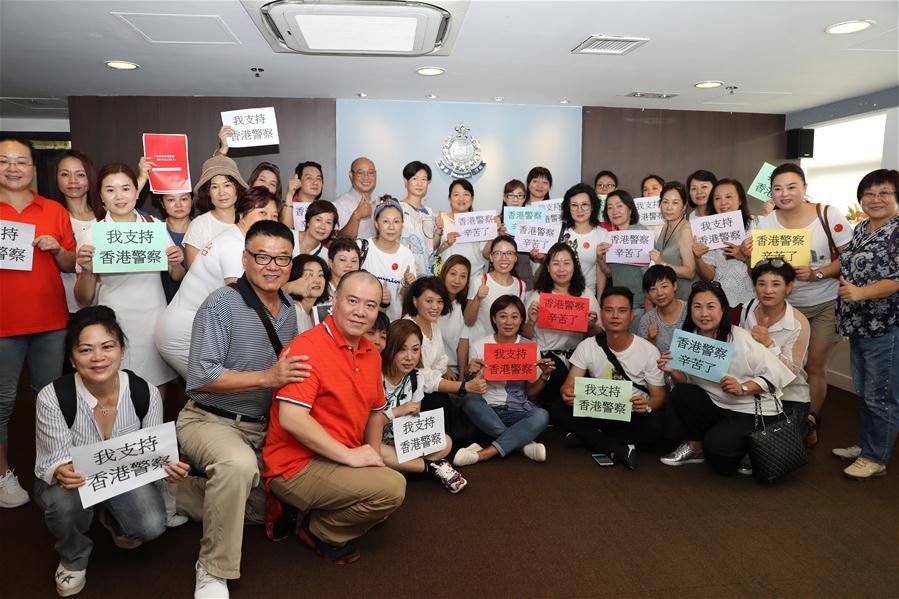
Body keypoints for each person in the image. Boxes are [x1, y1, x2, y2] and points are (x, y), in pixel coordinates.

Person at [175, 220, 307, 599]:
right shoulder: (221, 303)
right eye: (262, 256)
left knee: (279, 504)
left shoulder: (290, 311)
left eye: (282, 258)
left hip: (264, 428)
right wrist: (267, 377)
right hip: (209, 419)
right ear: (245, 258)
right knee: (237, 468)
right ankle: (212, 569)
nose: (272, 266)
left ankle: (176, 494)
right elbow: (201, 376)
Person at [33, 306, 189, 597]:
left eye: (107, 346)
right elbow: (52, 461)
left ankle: (111, 517)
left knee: (151, 526)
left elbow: (152, 453)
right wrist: (61, 471)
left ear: (121, 349)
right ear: (71, 358)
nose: (98, 357)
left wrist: (167, 468)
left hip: (121, 478)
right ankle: (74, 555)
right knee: (61, 503)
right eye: (86, 350)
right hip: (75, 484)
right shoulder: (53, 397)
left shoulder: (146, 392)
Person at [262, 271, 406, 565]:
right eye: (352, 300)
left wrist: (374, 455)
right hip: (295, 464)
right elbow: (292, 419)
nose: (360, 312)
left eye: (370, 305)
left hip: (338, 456)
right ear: (334, 300)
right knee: (392, 489)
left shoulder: (371, 352)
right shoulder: (306, 348)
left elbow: (376, 411)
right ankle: (319, 530)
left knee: (383, 494)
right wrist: (352, 458)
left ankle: (313, 513)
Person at [745, 163, 853, 446]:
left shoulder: (827, 214)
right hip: (786, 307)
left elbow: (850, 257)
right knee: (782, 362)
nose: (785, 193)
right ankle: (780, 418)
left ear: (805, 188)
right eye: (778, 188)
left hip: (825, 302)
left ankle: (811, 420)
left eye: (792, 187)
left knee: (815, 365)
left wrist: (818, 273)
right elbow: (758, 270)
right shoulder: (764, 223)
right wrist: (749, 256)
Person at [0, 136, 76, 508]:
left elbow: (69, 263)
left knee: (49, 399)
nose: (12, 168)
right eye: (4, 161)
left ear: (33, 168)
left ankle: (51, 468)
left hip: (49, 320)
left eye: (20, 161)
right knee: (3, 401)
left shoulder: (53, 210)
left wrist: (58, 248)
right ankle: (2, 474)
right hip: (3, 324)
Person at [659, 281, 795, 474]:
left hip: (750, 409)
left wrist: (743, 387)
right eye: (697, 307)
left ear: (723, 309)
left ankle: (753, 448)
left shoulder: (739, 337)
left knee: (718, 453)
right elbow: (688, 382)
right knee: (681, 393)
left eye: (711, 306)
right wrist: (673, 371)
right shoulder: (691, 339)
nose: (704, 314)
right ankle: (695, 447)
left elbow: (776, 374)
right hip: (718, 403)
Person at [74, 163, 183, 395]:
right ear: (101, 197)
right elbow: (83, 298)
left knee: (155, 390)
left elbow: (177, 275)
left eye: (125, 188)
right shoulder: (93, 234)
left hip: (152, 320)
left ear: (136, 192)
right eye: (110, 189)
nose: (119, 196)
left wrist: (175, 262)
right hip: (112, 323)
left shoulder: (155, 228)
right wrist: (87, 270)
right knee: (115, 391)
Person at [155, 186, 281, 377]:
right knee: (220, 391)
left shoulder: (239, 238)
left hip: (199, 330)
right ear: (243, 213)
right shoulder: (234, 245)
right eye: (262, 212)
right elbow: (245, 300)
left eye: (274, 215)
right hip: (184, 334)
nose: (270, 220)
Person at [554, 287, 667, 469]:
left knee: (658, 423)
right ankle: (615, 447)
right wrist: (567, 392)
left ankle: (588, 438)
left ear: (631, 315)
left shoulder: (648, 350)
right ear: (601, 314)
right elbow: (568, 385)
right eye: (609, 310)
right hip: (599, 410)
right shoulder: (587, 346)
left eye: (622, 311)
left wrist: (646, 405)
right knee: (559, 406)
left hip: (631, 414)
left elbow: (659, 397)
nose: (615, 316)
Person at [834, 169, 899, 480]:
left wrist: (860, 293)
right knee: (865, 391)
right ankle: (866, 445)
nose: (875, 199)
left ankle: (876, 457)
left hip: (886, 325)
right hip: (859, 324)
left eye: (884, 193)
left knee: (881, 394)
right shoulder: (861, 229)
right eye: (869, 194)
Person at [454, 295, 554, 467]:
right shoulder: (479, 345)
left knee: (542, 415)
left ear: (521, 319)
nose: (508, 322)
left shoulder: (530, 348)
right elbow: (470, 388)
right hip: (486, 410)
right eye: (502, 316)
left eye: (514, 317)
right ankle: (522, 445)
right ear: (494, 318)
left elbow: (531, 392)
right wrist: (471, 373)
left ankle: (484, 453)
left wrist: (544, 376)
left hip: (517, 410)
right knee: (469, 401)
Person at [377, 319, 467, 493]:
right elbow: (366, 426)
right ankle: (431, 467)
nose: (409, 357)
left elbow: (412, 420)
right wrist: (396, 412)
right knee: (377, 451)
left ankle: (400, 468)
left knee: (446, 442)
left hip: (400, 439)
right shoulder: (376, 376)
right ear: (390, 348)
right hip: (377, 439)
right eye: (402, 349)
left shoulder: (416, 376)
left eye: (415, 350)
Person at [521, 243, 601, 407]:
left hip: (577, 358)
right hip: (546, 356)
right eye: (556, 264)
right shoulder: (539, 295)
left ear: (574, 266)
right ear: (548, 268)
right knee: (561, 392)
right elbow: (525, 336)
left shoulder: (585, 294)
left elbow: (599, 335)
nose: (561, 269)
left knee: (585, 394)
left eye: (566, 263)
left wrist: (590, 326)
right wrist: (531, 320)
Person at [740, 259, 810, 433]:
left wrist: (768, 343)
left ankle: (809, 425)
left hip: (788, 394)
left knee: (773, 447)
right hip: (752, 386)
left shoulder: (798, 323)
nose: (768, 290)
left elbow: (792, 372)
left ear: (789, 287)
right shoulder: (748, 307)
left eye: (776, 284)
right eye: (761, 283)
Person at [692, 178, 755, 323]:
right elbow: (708, 277)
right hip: (719, 301)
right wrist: (697, 258)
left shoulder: (755, 225)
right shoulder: (707, 230)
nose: (723, 203)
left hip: (750, 300)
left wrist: (745, 257)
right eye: (717, 198)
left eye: (729, 197)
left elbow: (762, 275)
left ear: (740, 200)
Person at [53, 150, 101, 314]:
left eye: (80, 174)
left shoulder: (106, 216)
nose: (73, 181)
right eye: (65, 174)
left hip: (107, 304)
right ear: (57, 178)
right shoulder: (51, 216)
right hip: (67, 307)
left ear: (90, 177)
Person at [182, 156, 248, 269]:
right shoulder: (199, 225)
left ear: (237, 188)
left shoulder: (249, 221)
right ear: (208, 192)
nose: (221, 192)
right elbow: (193, 272)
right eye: (214, 187)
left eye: (227, 185)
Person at [597, 190, 650, 326]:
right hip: (620, 304)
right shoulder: (612, 237)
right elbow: (610, 273)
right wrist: (599, 258)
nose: (615, 211)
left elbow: (649, 275)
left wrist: (649, 309)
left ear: (630, 209)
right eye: (610, 207)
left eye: (619, 206)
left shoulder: (640, 232)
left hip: (640, 305)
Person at [359, 198, 416, 321]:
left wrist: (407, 285)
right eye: (385, 221)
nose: (391, 227)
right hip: (361, 319)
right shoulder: (363, 247)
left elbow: (405, 298)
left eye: (396, 221)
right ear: (376, 224)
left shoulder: (406, 255)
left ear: (402, 224)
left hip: (391, 323)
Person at [464, 235, 526, 344]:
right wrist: (478, 298)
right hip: (480, 349)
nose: (504, 258)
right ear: (491, 257)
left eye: (509, 253)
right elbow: (468, 321)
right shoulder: (478, 281)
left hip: (504, 352)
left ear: (516, 257)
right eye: (498, 253)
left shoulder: (521, 285)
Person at [558, 183, 609, 297]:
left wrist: (599, 300)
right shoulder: (558, 230)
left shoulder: (602, 234)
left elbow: (601, 271)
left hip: (587, 295)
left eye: (584, 204)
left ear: (592, 207)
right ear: (568, 208)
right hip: (558, 295)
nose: (579, 210)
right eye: (574, 205)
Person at [434, 179, 488, 281]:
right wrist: (446, 243)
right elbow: (430, 252)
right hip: (447, 279)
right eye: (456, 194)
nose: (461, 199)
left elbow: (486, 254)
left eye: (466, 194)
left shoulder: (480, 221)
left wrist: (492, 234)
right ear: (449, 198)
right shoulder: (440, 219)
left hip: (474, 278)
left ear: (472, 198)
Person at [650, 181, 695, 301]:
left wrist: (661, 262)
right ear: (659, 204)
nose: (669, 207)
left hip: (684, 298)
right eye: (665, 202)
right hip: (667, 298)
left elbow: (690, 272)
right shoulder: (666, 225)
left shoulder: (686, 231)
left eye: (675, 203)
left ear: (684, 207)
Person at [152, 190, 194, 303]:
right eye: (171, 200)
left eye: (184, 199)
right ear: (162, 203)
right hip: (160, 302)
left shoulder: (203, 229)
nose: (178, 204)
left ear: (192, 200)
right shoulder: (153, 230)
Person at [637, 265, 687, 353]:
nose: (659, 293)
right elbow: (643, 356)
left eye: (664, 286)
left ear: (674, 286)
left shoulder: (691, 311)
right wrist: (651, 339)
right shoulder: (646, 321)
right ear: (647, 294)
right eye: (653, 289)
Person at [399, 161, 437, 277]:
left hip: (427, 273)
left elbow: (431, 246)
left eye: (424, 179)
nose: (419, 183)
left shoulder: (430, 212)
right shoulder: (399, 208)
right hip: (404, 270)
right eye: (415, 178)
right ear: (406, 181)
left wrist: (439, 232)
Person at [437, 255, 472, 377]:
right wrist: (443, 368)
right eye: (453, 274)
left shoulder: (464, 307)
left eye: (463, 276)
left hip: (454, 370)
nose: (457, 281)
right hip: (431, 367)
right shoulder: (432, 303)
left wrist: (462, 377)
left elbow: (462, 344)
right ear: (444, 273)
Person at [497, 178, 534, 289]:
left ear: (524, 199)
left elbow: (538, 254)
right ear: (505, 198)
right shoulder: (497, 222)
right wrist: (499, 235)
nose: (515, 200)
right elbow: (487, 253)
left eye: (519, 196)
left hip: (524, 273)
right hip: (500, 275)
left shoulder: (532, 222)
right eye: (511, 195)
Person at [285, 254, 331, 334]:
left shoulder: (314, 314)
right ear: (297, 278)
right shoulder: (295, 310)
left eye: (320, 275)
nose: (317, 281)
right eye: (310, 275)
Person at [335, 157, 377, 240]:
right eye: (360, 173)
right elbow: (341, 240)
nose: (366, 177)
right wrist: (356, 216)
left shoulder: (378, 202)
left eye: (370, 173)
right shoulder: (341, 204)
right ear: (351, 175)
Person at [280, 161, 323, 229]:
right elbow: (286, 231)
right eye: (309, 178)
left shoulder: (324, 207)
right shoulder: (287, 206)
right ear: (298, 181)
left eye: (318, 178)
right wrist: (290, 194)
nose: (315, 182)